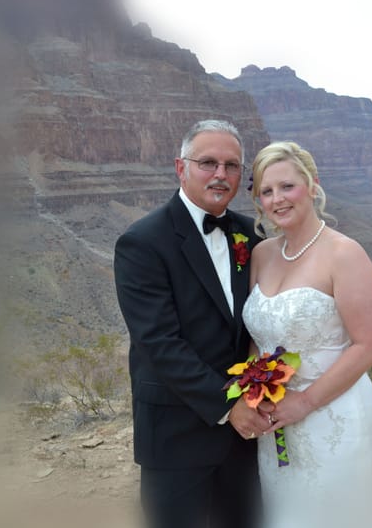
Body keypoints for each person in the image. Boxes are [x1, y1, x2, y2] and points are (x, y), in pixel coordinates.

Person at [114, 120, 268, 528]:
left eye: (232, 165)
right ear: (180, 168)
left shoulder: (249, 234)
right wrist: (229, 405)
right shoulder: (142, 242)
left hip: (244, 442)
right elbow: (159, 342)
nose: (221, 174)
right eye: (208, 163)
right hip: (175, 438)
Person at [243, 141, 372, 528]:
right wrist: (253, 394)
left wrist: (305, 402)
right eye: (267, 191)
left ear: (312, 186)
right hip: (276, 421)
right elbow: (257, 338)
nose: (277, 199)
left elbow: (371, 344)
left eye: (287, 187)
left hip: (334, 417)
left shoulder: (344, 254)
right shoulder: (262, 254)